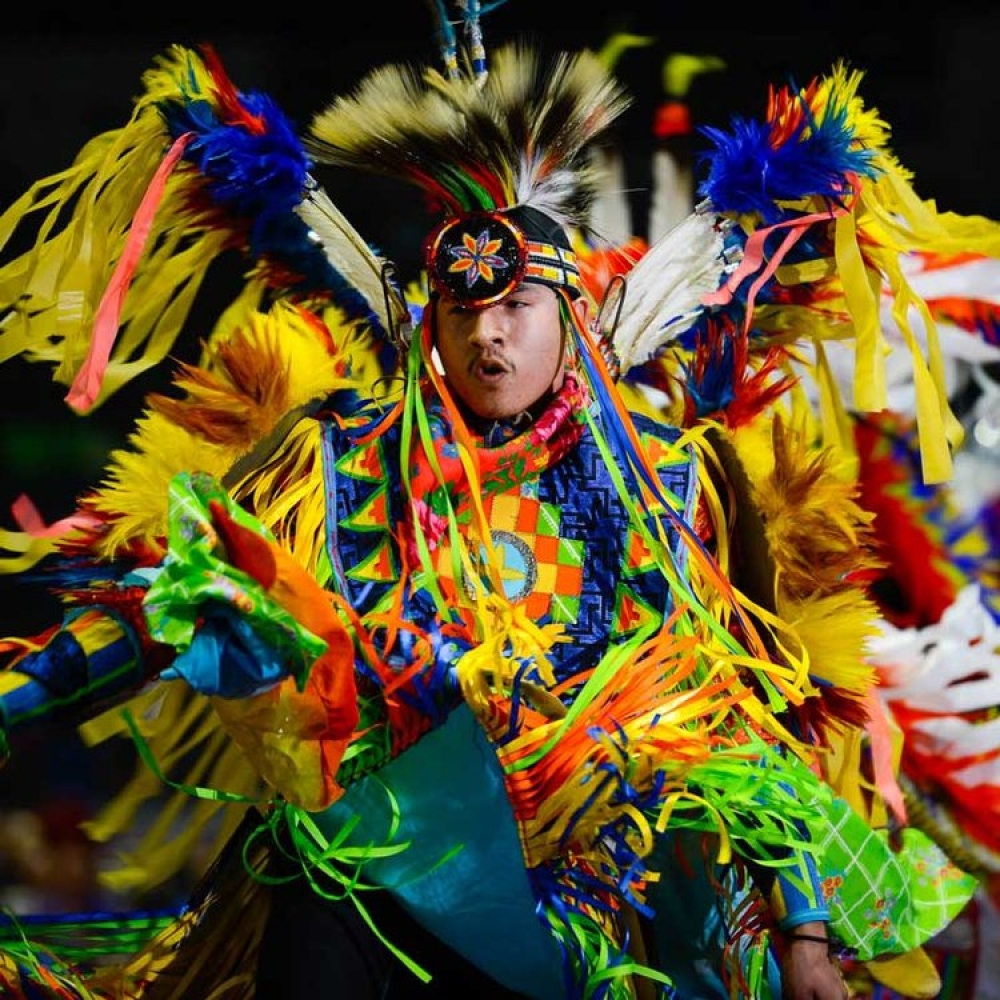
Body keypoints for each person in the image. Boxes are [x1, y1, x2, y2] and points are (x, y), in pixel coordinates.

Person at [0, 7, 988, 999]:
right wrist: (23, 694)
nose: (488, 337)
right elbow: (167, 598)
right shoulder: (338, 461)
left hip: (581, 902)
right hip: (366, 864)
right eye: (465, 308)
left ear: (569, 319)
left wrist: (804, 933)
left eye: (516, 308)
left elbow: (731, 724)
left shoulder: (651, 481)